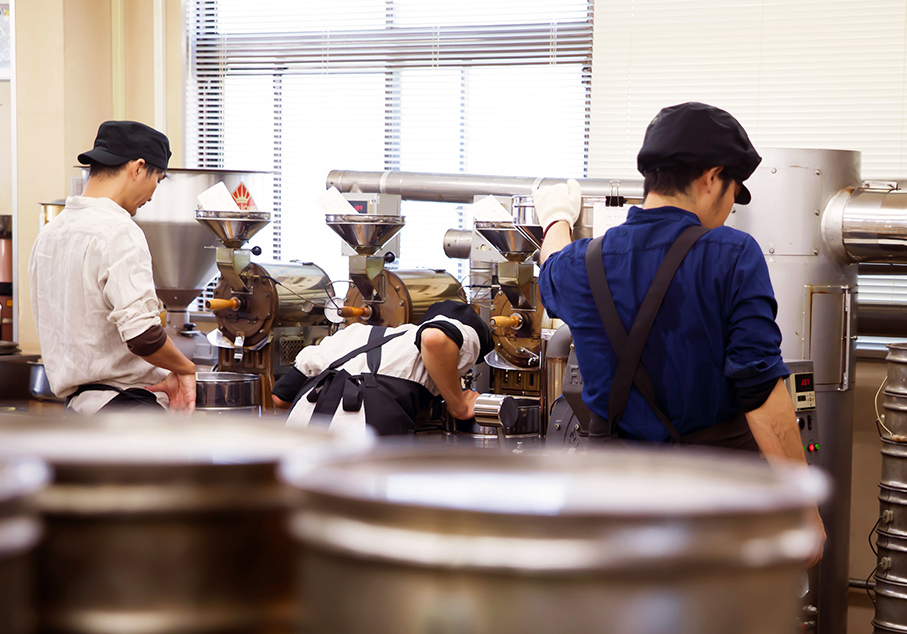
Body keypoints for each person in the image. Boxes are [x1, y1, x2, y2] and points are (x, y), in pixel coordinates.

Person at [535, 101, 824, 565]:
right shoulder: (732, 255)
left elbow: (550, 264)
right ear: (711, 178)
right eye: (733, 191)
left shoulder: (579, 265)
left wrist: (556, 218)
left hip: (607, 510)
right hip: (712, 508)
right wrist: (803, 510)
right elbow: (761, 396)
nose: (730, 208)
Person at [29, 120, 196, 414]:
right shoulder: (119, 230)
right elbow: (143, 336)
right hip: (126, 410)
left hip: (78, 409)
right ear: (138, 168)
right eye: (157, 178)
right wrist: (185, 368)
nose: (153, 194)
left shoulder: (50, 233)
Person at [271, 300, 492, 436]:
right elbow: (434, 339)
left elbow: (280, 398)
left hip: (300, 440)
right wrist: (459, 404)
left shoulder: (352, 333)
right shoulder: (458, 330)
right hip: (359, 447)